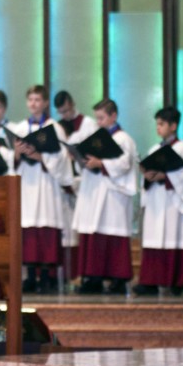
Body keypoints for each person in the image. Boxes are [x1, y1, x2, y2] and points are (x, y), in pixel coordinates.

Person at [9, 85, 72, 294]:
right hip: (27, 184)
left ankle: (47, 275)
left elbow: (63, 157)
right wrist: (17, 154)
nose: (34, 104)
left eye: (38, 100)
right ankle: (30, 276)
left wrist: (41, 157)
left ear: (45, 103)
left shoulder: (55, 127)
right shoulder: (19, 129)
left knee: (46, 225)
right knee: (28, 227)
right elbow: (11, 162)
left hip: (47, 184)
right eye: (31, 100)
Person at [71, 99, 138, 295]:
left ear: (113, 116)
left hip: (112, 195)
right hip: (94, 190)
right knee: (94, 235)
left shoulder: (123, 138)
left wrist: (101, 163)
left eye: (102, 118)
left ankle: (117, 279)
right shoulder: (97, 137)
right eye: (97, 118)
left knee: (111, 235)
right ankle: (93, 278)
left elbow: (124, 164)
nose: (98, 122)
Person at [134, 106, 183, 297]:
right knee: (155, 238)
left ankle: (176, 282)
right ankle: (151, 281)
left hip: (173, 202)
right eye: (157, 124)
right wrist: (147, 175)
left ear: (173, 126)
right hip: (156, 198)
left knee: (173, 237)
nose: (158, 128)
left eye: (161, 124)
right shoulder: (156, 148)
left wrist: (165, 176)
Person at [54, 90, 98, 285]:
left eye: (66, 110)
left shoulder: (89, 124)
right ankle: (65, 276)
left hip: (84, 181)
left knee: (81, 230)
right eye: (60, 112)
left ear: (72, 104)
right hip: (64, 182)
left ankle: (80, 276)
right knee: (65, 232)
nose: (64, 115)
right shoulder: (56, 127)